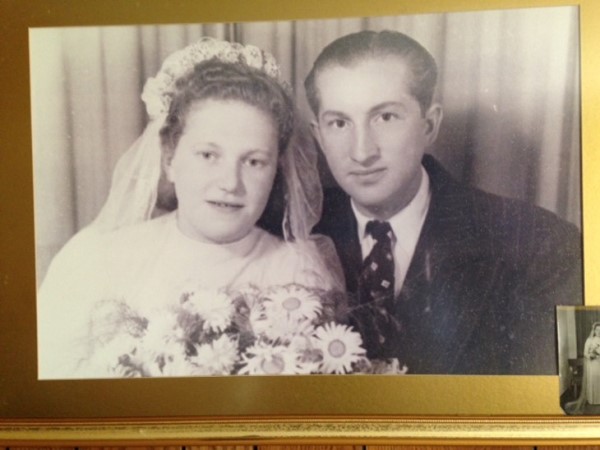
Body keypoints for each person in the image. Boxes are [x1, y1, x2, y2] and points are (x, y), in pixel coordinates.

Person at [37, 38, 344, 379]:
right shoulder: (96, 260)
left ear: (276, 172)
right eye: (208, 155)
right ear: (169, 160)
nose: (231, 182)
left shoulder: (298, 275)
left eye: (255, 161)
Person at [304, 30, 582, 374]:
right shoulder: (294, 234)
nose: (362, 152)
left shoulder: (546, 244)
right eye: (339, 123)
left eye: (386, 117)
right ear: (318, 135)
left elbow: (585, 397)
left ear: (430, 125)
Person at [565, 322, 600, 414]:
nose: (599, 332)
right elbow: (585, 353)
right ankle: (593, 400)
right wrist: (591, 355)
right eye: (597, 330)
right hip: (592, 364)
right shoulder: (589, 340)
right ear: (594, 331)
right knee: (593, 380)